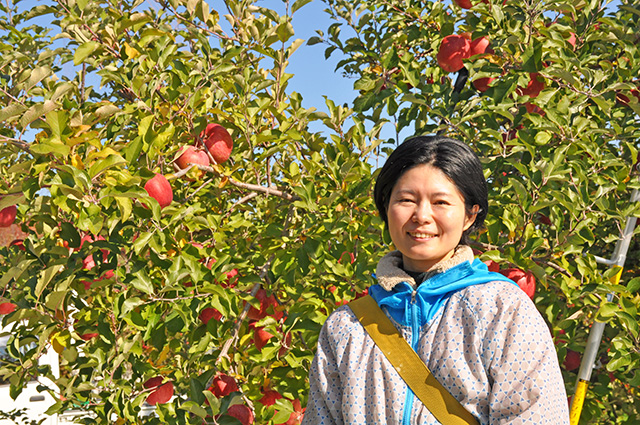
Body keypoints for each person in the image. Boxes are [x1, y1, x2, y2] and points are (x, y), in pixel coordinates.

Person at [302, 135, 570, 424]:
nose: (422, 216)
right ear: (385, 205)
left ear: (470, 215)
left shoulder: (500, 310)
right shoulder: (346, 329)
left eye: (440, 202)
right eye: (406, 200)